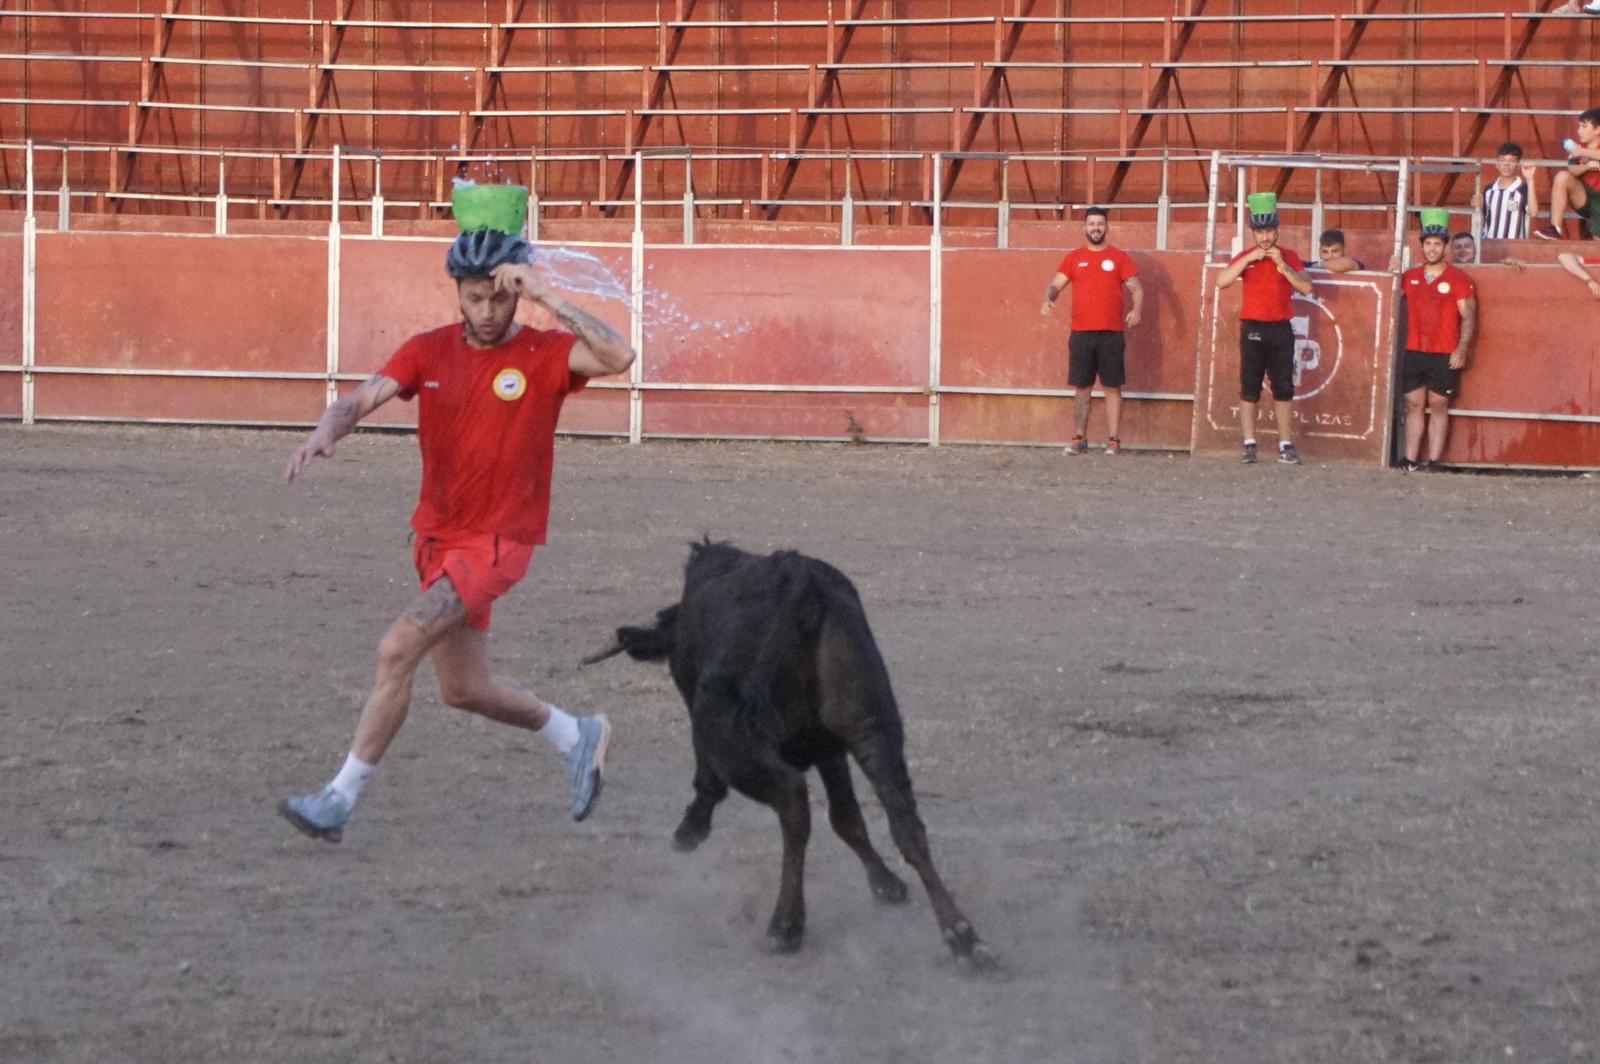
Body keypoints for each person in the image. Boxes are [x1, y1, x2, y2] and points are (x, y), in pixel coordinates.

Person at [277, 190, 638, 842]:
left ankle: (338, 799)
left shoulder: (546, 353)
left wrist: (548, 296)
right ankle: (575, 734)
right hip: (438, 540)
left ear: (516, 290)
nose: (488, 310)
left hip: (498, 543)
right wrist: (327, 429)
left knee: (397, 648)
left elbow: (620, 356)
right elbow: (361, 399)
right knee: (465, 689)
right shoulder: (428, 351)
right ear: (457, 291)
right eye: (475, 296)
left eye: (501, 296)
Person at [1215, 192, 1314, 465]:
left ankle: (1285, 443)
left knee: (1283, 388)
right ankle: (1249, 443)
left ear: (1277, 230)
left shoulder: (1289, 256)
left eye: (1269, 231)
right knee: (1249, 387)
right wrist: (1249, 260)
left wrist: (1283, 267)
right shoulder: (1246, 256)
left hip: (1281, 327)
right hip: (1253, 328)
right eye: (1260, 232)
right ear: (1253, 233)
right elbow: (1221, 281)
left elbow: (1306, 286)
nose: (1265, 237)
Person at [1040, 206, 1143, 456]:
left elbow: (1136, 287)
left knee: (1112, 387)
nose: (1096, 228)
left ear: (1107, 227)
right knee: (1082, 387)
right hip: (1081, 333)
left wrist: (1137, 310)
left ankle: (1114, 440)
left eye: (1100, 224)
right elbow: (1055, 284)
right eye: (1091, 224)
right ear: (1084, 228)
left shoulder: (1119, 257)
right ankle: (1079, 438)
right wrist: (1049, 298)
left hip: (1111, 333)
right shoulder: (1074, 258)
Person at [1395, 208, 1477, 472]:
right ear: (1422, 246)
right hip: (1414, 349)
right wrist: (1392, 270)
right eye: (1428, 244)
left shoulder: (1459, 279)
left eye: (1437, 244)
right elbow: (1391, 296)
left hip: (1444, 350)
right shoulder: (1410, 277)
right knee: (1413, 404)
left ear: (1445, 246)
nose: (1432, 249)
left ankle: (1434, 461)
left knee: (1439, 404)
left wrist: (1461, 349)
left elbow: (1468, 316)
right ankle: (1409, 459)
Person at [1535, 108, 1600, 240]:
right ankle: (1555, 229)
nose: (1579, 131)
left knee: (1596, 243)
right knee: (1562, 177)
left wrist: (1582, 151)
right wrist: (1587, 166)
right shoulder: (1578, 148)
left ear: (1597, 130)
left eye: (1584, 126)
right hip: (1585, 196)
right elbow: (1572, 169)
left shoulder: (1579, 149)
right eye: (1579, 126)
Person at [1472, 142, 1538, 241]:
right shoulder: (1489, 190)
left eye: (1512, 161)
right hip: (1489, 245)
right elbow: (1484, 216)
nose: (1506, 164)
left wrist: (1530, 179)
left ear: (1518, 165)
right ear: (1496, 164)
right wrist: (1477, 206)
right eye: (1502, 160)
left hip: (1515, 248)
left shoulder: (1523, 189)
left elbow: (1533, 212)